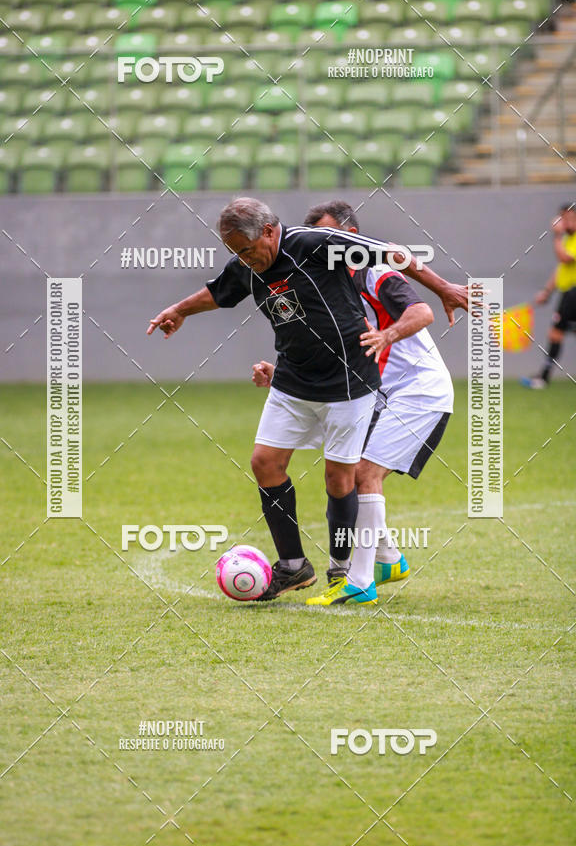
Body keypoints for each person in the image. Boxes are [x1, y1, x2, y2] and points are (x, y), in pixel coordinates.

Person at [148, 197, 464, 602]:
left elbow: (393, 253)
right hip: (293, 381)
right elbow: (217, 293)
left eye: (246, 249)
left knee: (343, 477)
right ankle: (294, 566)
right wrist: (179, 310)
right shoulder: (247, 265)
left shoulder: (316, 244)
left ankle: (343, 569)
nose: (243, 259)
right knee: (264, 462)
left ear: (268, 231)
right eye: (235, 253)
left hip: (348, 382)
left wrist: (444, 288)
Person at [253, 200, 454, 606]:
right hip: (373, 393)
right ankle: (388, 558)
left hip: (418, 391)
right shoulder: (320, 279)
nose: (326, 245)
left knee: (362, 474)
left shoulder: (374, 271)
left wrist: (388, 335)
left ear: (353, 238)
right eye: (319, 239)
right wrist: (282, 374)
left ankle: (359, 581)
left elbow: (422, 312)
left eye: (333, 236)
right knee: (346, 472)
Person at [522, 204, 576, 389]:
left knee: (556, 333)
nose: (564, 223)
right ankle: (543, 377)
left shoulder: (567, 239)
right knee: (557, 332)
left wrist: (557, 235)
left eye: (568, 218)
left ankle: (543, 378)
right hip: (568, 293)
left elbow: (565, 259)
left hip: (574, 294)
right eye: (562, 218)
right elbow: (561, 269)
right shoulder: (568, 239)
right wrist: (547, 291)